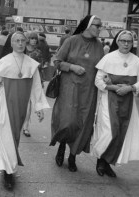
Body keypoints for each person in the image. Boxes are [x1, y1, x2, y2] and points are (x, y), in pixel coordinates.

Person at [0, 31, 49, 190]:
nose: (20, 43)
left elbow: (36, 87)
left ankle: (8, 167)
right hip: (4, 103)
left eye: (23, 40)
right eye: (17, 40)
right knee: (5, 137)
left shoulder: (32, 64)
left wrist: (38, 108)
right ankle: (8, 172)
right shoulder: (3, 62)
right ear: (11, 43)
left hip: (21, 106)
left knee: (14, 137)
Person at [50, 15, 104, 172]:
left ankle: (73, 156)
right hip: (69, 89)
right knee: (68, 121)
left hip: (89, 92)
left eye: (100, 26)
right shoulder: (72, 41)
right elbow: (57, 61)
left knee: (83, 123)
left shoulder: (99, 45)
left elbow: (102, 67)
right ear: (88, 25)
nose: (100, 28)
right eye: (97, 25)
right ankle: (61, 146)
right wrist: (72, 67)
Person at [91, 30, 139, 178]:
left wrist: (130, 88)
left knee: (121, 132)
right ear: (117, 41)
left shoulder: (136, 61)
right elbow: (98, 81)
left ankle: (107, 163)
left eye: (129, 41)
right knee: (110, 132)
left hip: (127, 102)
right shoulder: (108, 58)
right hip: (108, 100)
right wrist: (113, 87)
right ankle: (100, 159)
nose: (126, 44)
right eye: (123, 41)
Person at [21, 32, 44, 138]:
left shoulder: (38, 52)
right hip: (20, 79)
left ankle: (25, 127)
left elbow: (40, 68)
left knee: (29, 105)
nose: (34, 40)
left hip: (32, 79)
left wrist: (41, 82)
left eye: (35, 39)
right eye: (32, 38)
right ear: (28, 39)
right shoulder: (22, 49)